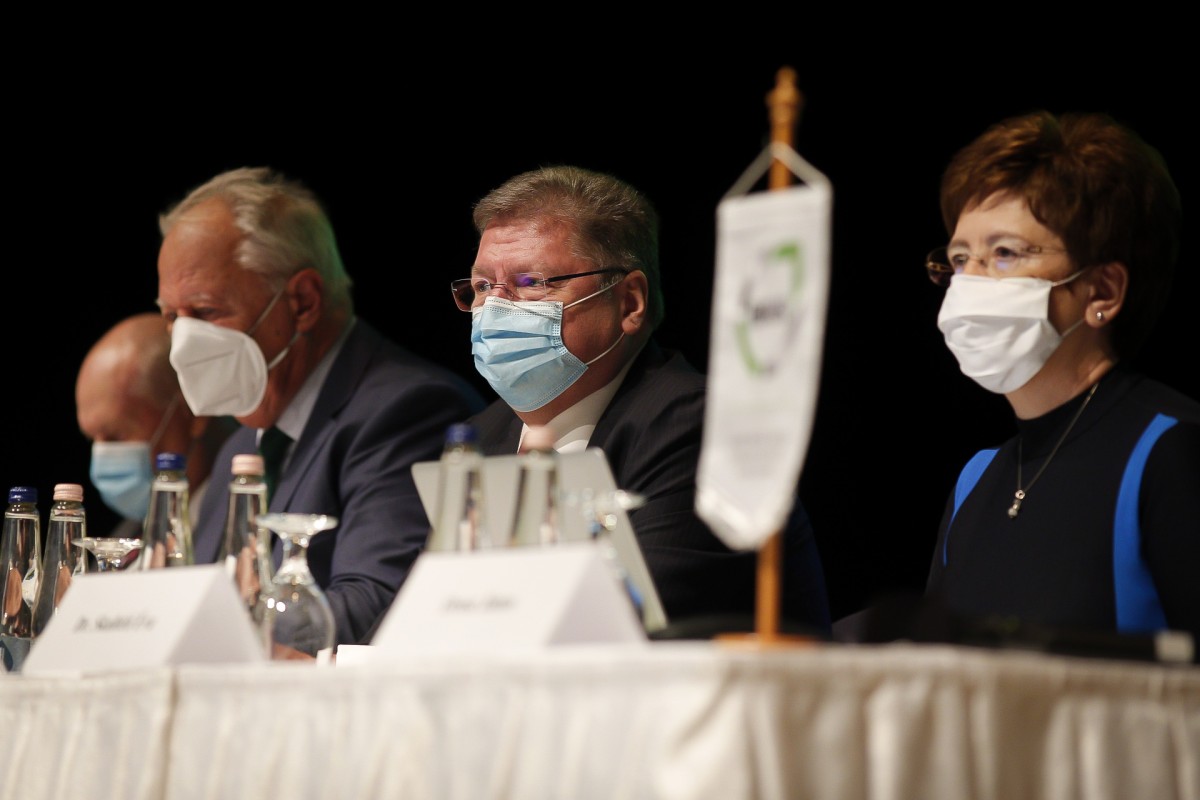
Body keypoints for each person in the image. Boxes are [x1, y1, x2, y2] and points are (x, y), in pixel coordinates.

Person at [456, 165, 831, 635]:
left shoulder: (697, 428)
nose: (495, 308)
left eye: (532, 282)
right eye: (482, 287)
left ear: (630, 302)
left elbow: (623, 625)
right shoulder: (483, 436)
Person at [157, 167, 484, 645]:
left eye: (205, 312)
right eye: (171, 316)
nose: (183, 342)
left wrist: (196, 634)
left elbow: (376, 606)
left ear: (303, 302)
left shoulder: (407, 410)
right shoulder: (239, 450)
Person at [924, 111, 1200, 645]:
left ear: (1103, 292)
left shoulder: (1169, 452)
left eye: (1004, 254)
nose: (969, 283)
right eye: (959, 259)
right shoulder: (976, 479)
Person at [76, 312, 235, 537]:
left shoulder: (244, 525)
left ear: (192, 413)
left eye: (116, 436)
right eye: (92, 438)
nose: (102, 454)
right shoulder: (127, 539)